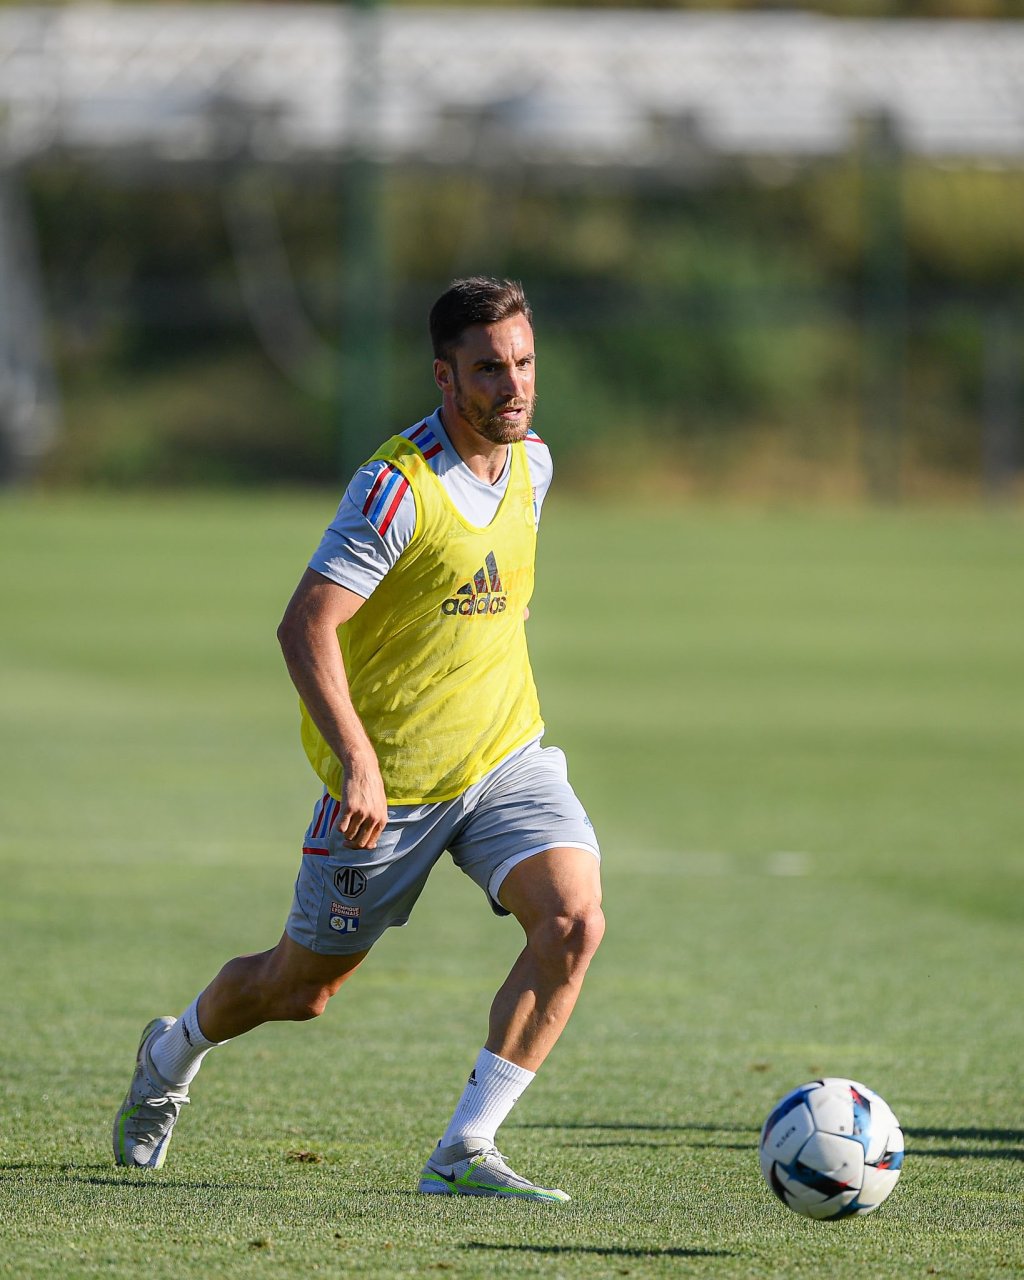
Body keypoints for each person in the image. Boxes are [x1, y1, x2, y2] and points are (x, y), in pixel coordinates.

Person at [112, 276, 603, 1202]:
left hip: (506, 756)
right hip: (392, 787)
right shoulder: (395, 487)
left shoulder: (532, 464)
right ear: (444, 376)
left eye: (525, 363)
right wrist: (360, 761)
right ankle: (172, 1050)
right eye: (489, 369)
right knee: (298, 990)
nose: (515, 386)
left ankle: (463, 1152)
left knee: (575, 922)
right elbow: (306, 625)